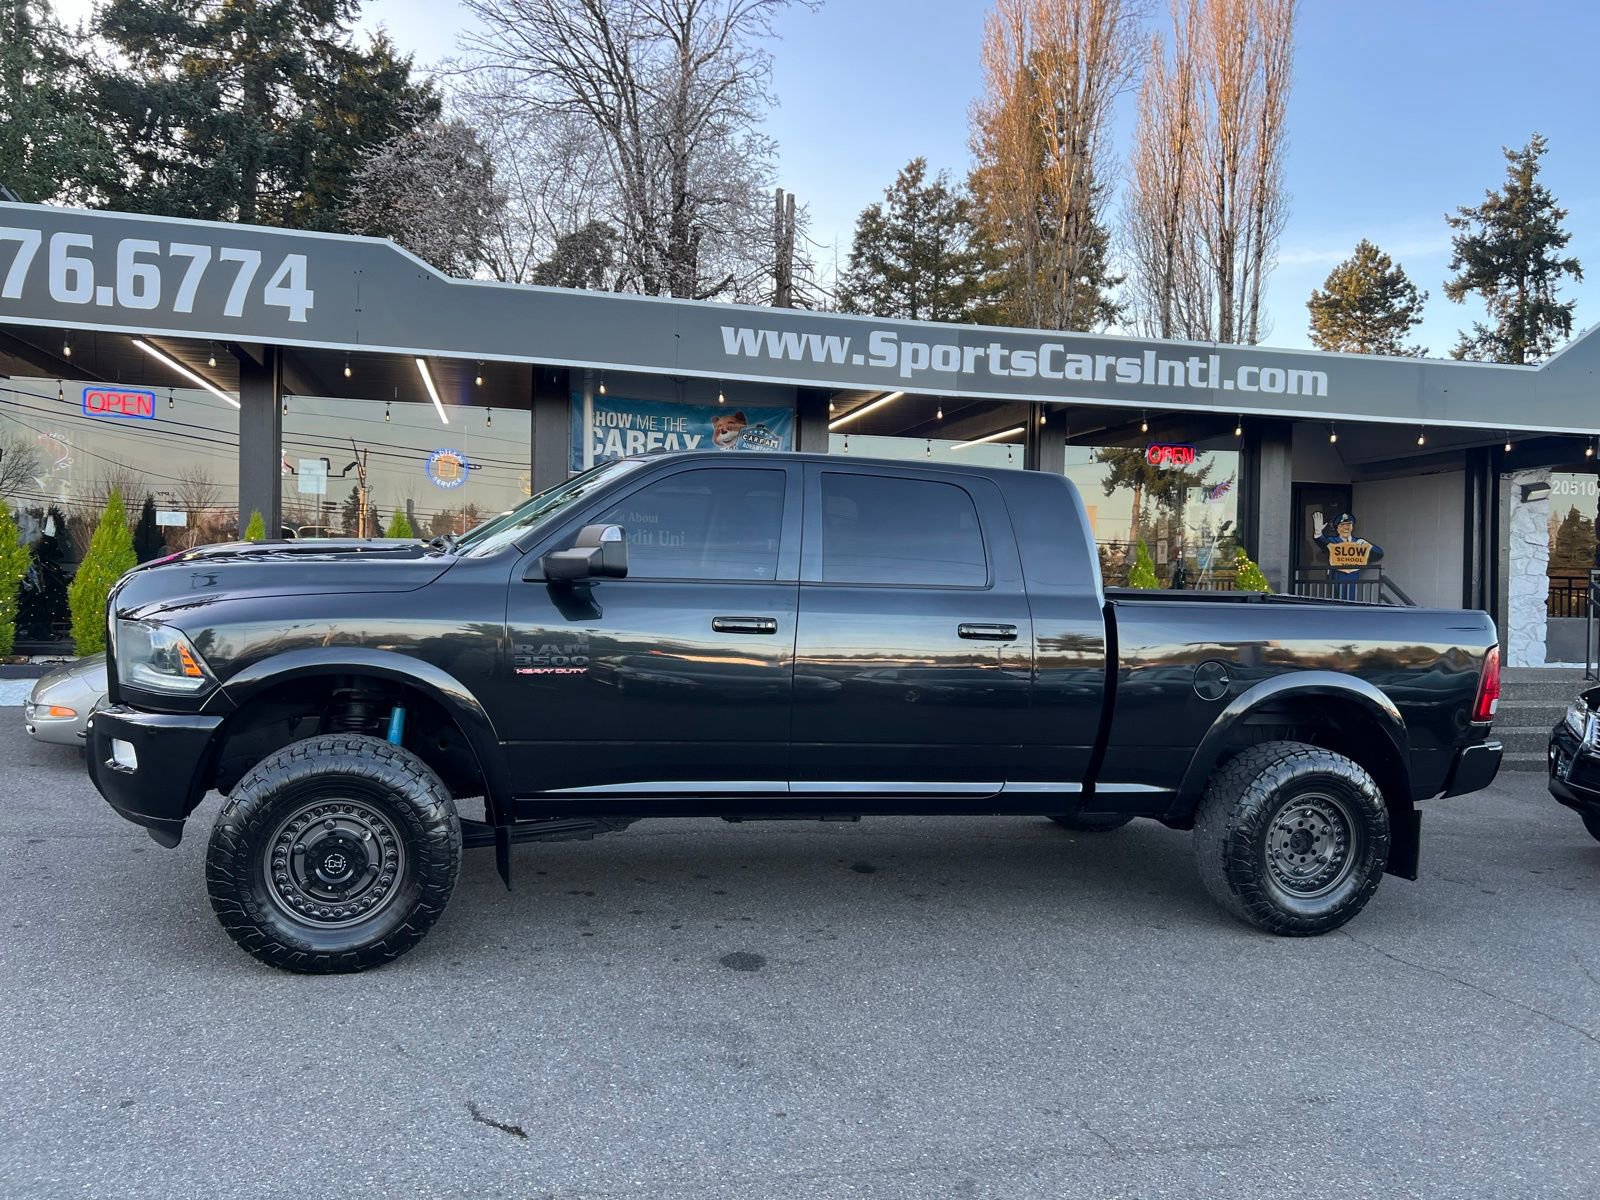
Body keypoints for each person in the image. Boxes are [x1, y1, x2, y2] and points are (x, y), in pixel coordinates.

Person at [1314, 511, 1383, 600]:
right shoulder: (1332, 541)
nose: (1345, 528)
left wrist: (1368, 545)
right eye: (1342, 525)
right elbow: (1323, 543)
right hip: (1337, 574)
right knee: (1338, 598)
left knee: (1351, 598)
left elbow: (1379, 554)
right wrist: (1318, 532)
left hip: (1353, 574)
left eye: (1348, 525)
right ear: (1337, 528)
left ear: (1352, 527)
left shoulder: (1358, 542)